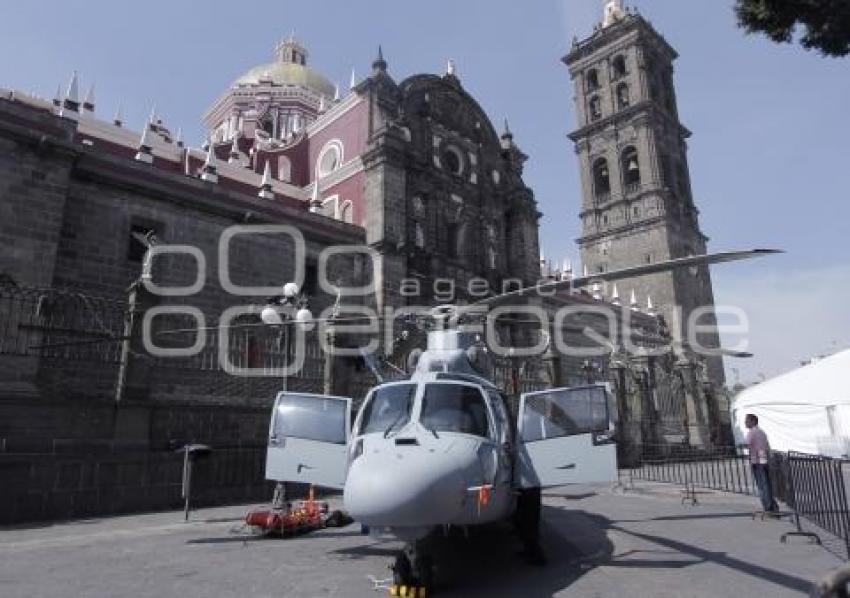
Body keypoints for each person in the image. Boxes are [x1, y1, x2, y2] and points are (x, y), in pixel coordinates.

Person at [744, 413, 779, 514]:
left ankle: (768, 507)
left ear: (753, 421)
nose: (745, 423)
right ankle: (772, 505)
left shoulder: (752, 432)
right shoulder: (762, 432)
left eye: (747, 421)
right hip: (763, 458)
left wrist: (741, 446)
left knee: (762, 485)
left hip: (757, 460)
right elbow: (767, 446)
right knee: (767, 483)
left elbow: (746, 444)